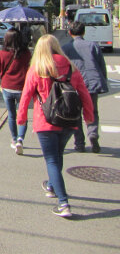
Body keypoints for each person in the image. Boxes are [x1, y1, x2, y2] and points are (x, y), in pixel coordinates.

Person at [17, 35, 94, 217]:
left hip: (45, 121)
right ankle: (51, 185)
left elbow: (26, 96)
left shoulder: (37, 69)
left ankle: (63, 203)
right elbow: (84, 94)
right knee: (57, 156)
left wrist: (21, 119)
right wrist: (88, 117)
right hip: (68, 120)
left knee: (52, 160)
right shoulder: (71, 68)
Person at [61, 21, 107, 153]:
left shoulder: (66, 48)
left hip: (74, 85)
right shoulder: (93, 45)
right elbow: (101, 65)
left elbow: (64, 68)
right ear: (84, 32)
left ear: (70, 33)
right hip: (92, 83)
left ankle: (79, 143)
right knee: (92, 111)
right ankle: (93, 133)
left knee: (76, 114)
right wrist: (102, 79)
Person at [0, 28, 31, 155]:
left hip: (7, 87)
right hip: (22, 88)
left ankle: (14, 139)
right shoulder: (26, 53)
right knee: (23, 114)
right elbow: (29, 68)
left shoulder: (2, 54)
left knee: (11, 115)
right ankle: (21, 139)